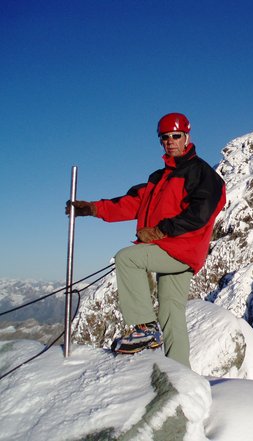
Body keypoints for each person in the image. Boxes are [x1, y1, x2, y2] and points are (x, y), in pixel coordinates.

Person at [66, 112, 226, 368]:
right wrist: (92, 209)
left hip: (180, 249)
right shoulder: (158, 179)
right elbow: (130, 204)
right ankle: (180, 374)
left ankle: (146, 327)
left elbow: (203, 210)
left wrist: (163, 230)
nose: (170, 141)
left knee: (127, 259)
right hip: (171, 250)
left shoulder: (201, 173)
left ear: (187, 137)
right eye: (165, 138)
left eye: (176, 136)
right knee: (171, 313)